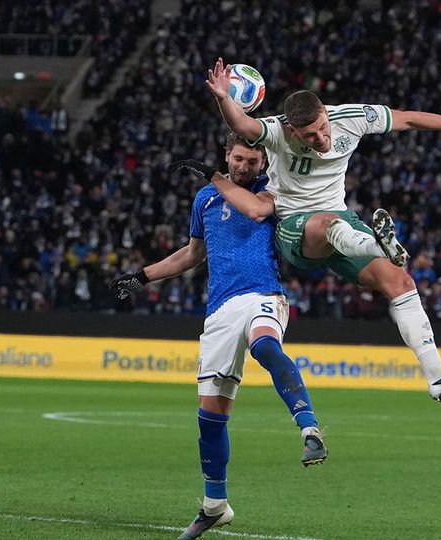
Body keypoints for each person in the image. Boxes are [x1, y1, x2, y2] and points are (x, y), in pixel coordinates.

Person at [197, 57, 441, 401]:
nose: (321, 138)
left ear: (325, 111)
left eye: (323, 128)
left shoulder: (350, 118)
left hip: (342, 221)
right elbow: (245, 127)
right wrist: (223, 98)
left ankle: (437, 374)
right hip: (295, 227)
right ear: (293, 130)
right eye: (310, 136)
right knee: (328, 224)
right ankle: (376, 244)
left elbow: (409, 118)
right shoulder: (277, 132)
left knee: (399, 281)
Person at [110, 135, 327, 540]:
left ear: (263, 163)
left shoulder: (272, 191)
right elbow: (191, 254)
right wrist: (142, 276)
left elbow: (259, 214)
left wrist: (217, 176)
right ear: (227, 155)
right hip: (219, 312)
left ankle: (310, 430)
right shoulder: (205, 200)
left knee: (265, 345)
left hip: (263, 294)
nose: (245, 167)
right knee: (210, 418)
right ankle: (214, 507)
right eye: (239, 159)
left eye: (253, 161)